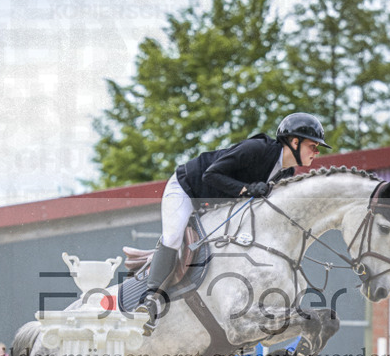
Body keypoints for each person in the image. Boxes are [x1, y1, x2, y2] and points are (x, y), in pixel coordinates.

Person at [135, 112, 332, 335]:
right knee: (173, 236)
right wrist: (246, 189)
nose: (316, 152)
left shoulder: (286, 172)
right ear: (294, 142)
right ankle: (151, 298)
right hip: (186, 188)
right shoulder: (257, 149)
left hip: (213, 204)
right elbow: (211, 174)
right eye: (313, 146)